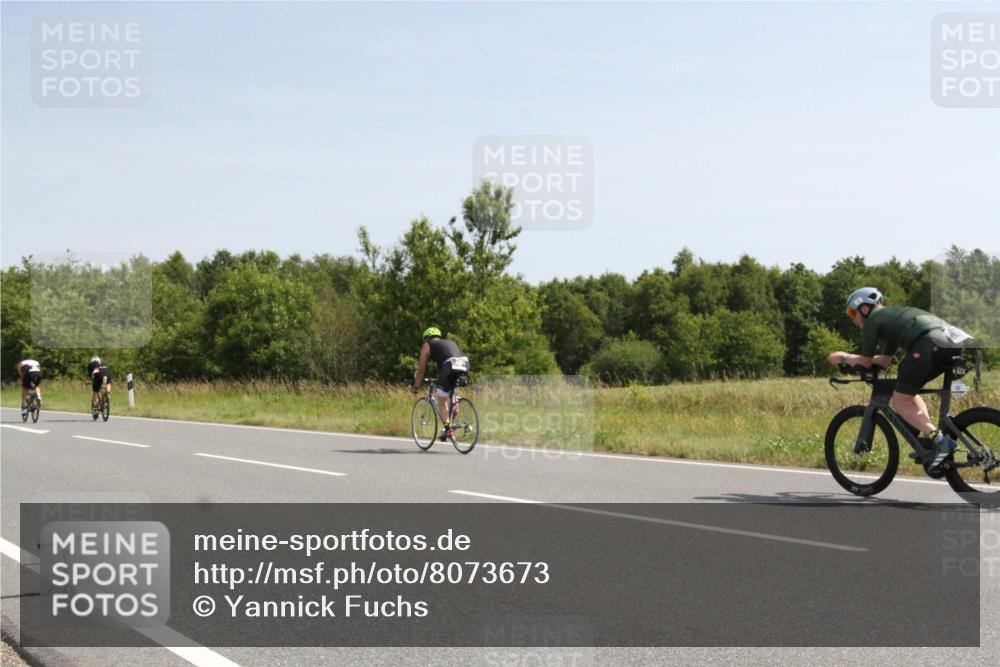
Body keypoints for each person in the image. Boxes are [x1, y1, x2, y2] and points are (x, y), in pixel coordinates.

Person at [827, 287, 972, 473]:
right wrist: (865, 361)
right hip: (952, 342)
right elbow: (885, 360)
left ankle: (941, 441)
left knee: (899, 401)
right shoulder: (892, 320)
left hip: (929, 343)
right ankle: (932, 440)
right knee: (906, 390)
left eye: (852, 312)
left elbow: (865, 361)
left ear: (864, 308)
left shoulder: (873, 320)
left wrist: (844, 357)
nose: (852, 318)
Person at [411, 327, 470, 441]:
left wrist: (415, 386)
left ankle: (448, 430)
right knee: (452, 394)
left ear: (426, 338)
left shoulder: (427, 345)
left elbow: (421, 369)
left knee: (441, 401)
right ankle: (453, 415)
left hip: (450, 365)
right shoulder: (449, 342)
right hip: (464, 364)